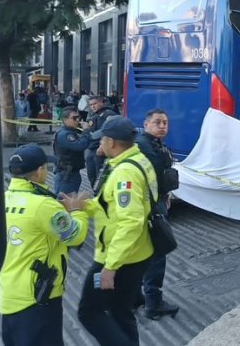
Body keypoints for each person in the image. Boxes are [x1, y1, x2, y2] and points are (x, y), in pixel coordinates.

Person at [76, 116, 158, 346]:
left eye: (101, 139)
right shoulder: (137, 160)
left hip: (119, 258)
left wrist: (110, 268)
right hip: (135, 253)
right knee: (121, 312)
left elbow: (131, 221)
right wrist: (84, 206)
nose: (99, 143)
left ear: (111, 142)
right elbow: (109, 203)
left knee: (89, 312)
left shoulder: (124, 173)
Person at [0, 145, 89, 346]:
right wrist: (77, 210)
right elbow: (74, 236)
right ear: (39, 171)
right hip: (38, 299)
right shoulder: (43, 205)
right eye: (46, 167)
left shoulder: (2, 199)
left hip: (9, 294)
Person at [135, 109, 180, 319]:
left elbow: (159, 177)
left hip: (157, 201)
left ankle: (136, 298)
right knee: (156, 253)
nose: (162, 126)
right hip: (150, 208)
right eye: (157, 122)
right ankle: (153, 302)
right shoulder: (143, 146)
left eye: (165, 123)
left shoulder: (155, 144)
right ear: (146, 124)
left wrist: (165, 194)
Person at [53, 106, 90, 195]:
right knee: (65, 201)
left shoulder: (70, 132)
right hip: (66, 174)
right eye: (74, 118)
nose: (78, 120)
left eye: (78, 117)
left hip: (71, 173)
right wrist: (86, 131)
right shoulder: (65, 135)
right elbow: (80, 146)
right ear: (65, 119)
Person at [82, 96, 116, 187]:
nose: (93, 106)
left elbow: (110, 130)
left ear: (101, 103)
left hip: (101, 150)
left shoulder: (108, 113)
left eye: (95, 104)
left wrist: (102, 146)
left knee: (100, 177)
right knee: (91, 175)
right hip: (91, 149)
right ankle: (95, 193)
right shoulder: (92, 115)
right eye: (91, 105)